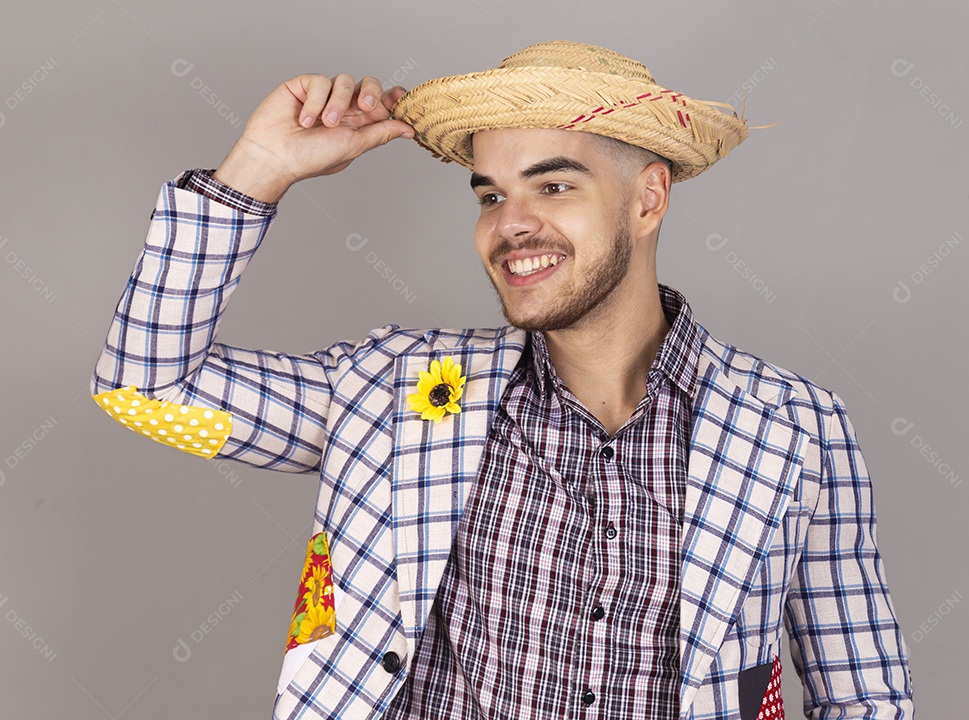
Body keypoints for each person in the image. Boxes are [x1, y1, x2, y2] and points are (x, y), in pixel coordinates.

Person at [90, 40, 914, 720]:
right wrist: (255, 173)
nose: (511, 223)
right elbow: (145, 394)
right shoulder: (392, 394)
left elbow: (865, 692)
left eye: (554, 185)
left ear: (649, 198)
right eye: (491, 194)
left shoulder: (793, 428)